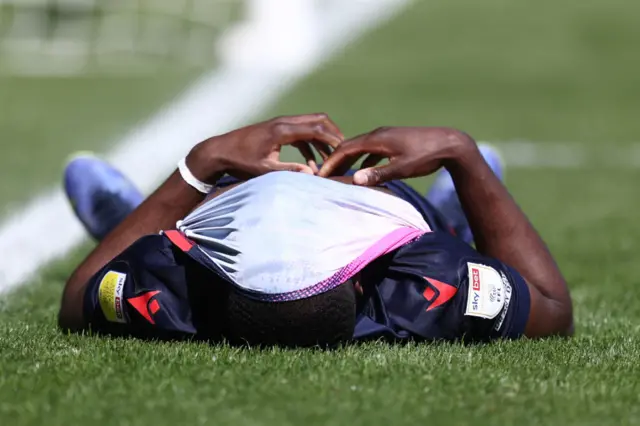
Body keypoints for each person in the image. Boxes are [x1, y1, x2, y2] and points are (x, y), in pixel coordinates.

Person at [58, 114, 573, 347]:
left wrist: (204, 164)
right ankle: (457, 215)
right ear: (361, 280)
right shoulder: (423, 285)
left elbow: (81, 294)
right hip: (417, 221)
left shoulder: (178, 290)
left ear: (214, 277)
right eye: (327, 209)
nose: (293, 198)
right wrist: (460, 155)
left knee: (143, 242)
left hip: (193, 211)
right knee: (450, 231)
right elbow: (551, 303)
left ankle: (126, 219)